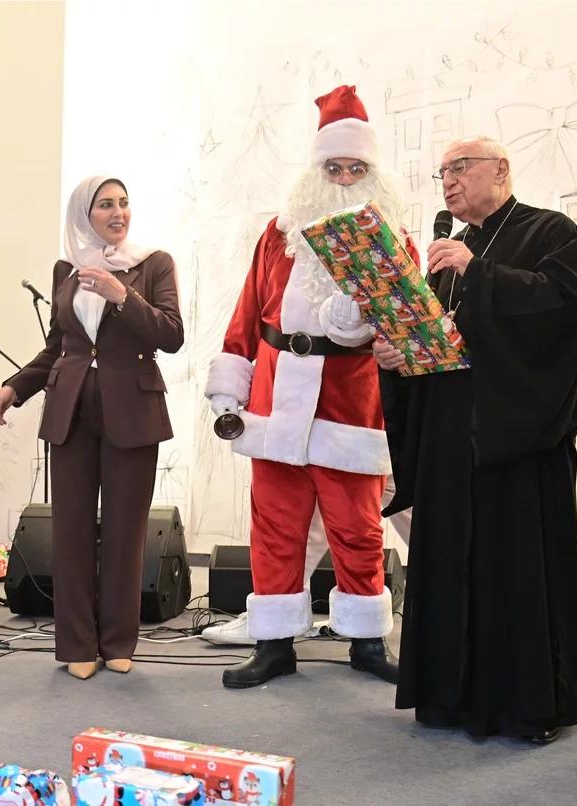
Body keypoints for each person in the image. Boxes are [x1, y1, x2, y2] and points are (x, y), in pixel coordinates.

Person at [376, 135, 577, 743]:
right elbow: (437, 336)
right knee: (447, 559)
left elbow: (557, 307)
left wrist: (479, 271)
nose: (448, 180)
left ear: (500, 170)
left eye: (460, 167)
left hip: (516, 434)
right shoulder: (450, 253)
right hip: (450, 430)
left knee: (515, 564)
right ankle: (449, 695)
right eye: (442, 171)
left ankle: (528, 705)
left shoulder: (552, 233)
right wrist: (399, 355)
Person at [204, 85, 415, 687]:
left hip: (351, 402)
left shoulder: (395, 241)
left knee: (357, 527)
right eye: (334, 166)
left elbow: (404, 325)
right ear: (315, 170)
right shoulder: (279, 232)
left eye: (356, 167)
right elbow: (248, 312)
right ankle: (273, 645)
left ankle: (367, 642)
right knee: (274, 525)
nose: (345, 177)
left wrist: (362, 321)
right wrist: (230, 387)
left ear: (372, 173)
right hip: (275, 397)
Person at [0, 175, 183, 680]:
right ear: (83, 214)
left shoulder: (153, 263)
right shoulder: (66, 269)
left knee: (125, 531)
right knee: (71, 532)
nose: (118, 213)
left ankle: (118, 641)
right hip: (70, 408)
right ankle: (76, 644)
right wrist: (16, 386)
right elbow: (59, 346)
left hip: (133, 410)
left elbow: (172, 334)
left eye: (123, 203)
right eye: (104, 205)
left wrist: (122, 295)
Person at [200, 490, 412, 645]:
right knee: (318, 518)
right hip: (359, 439)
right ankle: (270, 618)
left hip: (380, 436)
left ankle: (270, 620)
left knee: (422, 509)